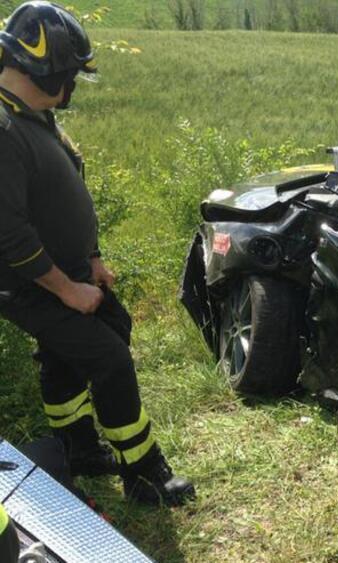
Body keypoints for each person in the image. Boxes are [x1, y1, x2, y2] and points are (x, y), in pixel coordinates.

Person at [0, 1, 195, 506]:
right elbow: (10, 234)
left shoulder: (30, 115)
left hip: (65, 270)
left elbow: (59, 196)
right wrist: (67, 291)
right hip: (28, 282)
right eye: (71, 75)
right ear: (49, 69)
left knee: (94, 337)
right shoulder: (2, 129)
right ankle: (145, 474)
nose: (73, 87)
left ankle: (78, 448)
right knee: (109, 359)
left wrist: (91, 257)